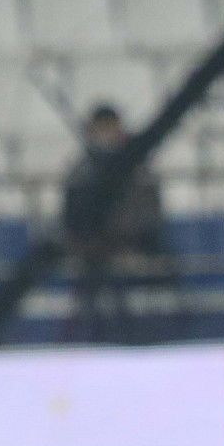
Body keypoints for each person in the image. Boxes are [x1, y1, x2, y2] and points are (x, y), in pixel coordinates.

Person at [62, 103, 168, 344]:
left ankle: (138, 336)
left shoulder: (138, 169)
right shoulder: (82, 171)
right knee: (98, 274)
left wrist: (129, 240)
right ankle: (95, 337)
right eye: (101, 129)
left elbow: (150, 213)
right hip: (95, 251)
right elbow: (71, 215)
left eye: (110, 129)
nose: (106, 135)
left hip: (136, 244)